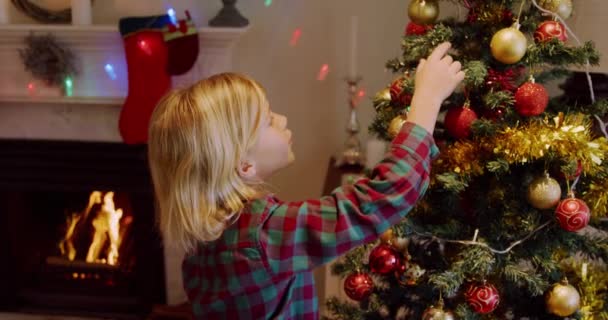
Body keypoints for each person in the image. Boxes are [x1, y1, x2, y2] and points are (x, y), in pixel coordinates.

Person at [148, 42, 464, 319]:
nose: (282, 120)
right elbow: (377, 200)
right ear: (243, 163)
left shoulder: (200, 246)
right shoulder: (264, 234)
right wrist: (426, 101)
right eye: (269, 120)